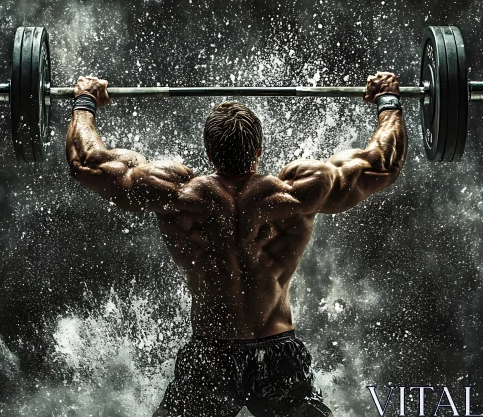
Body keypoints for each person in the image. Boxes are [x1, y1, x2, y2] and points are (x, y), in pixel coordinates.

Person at [65, 72, 407, 417]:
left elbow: (85, 162)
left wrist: (85, 102)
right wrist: (387, 100)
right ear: (258, 150)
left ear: (209, 152)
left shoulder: (176, 194)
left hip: (210, 356)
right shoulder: (297, 192)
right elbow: (382, 164)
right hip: (278, 357)